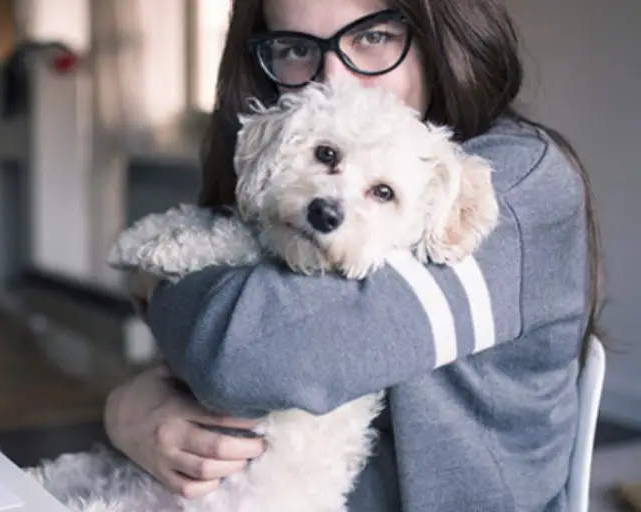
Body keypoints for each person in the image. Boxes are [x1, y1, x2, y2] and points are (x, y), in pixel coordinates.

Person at [103, 0, 604, 511]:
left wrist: (157, 285)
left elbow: (244, 356)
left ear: (439, 29)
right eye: (296, 48)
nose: (335, 83)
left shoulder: (508, 190)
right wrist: (132, 411)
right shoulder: (305, 171)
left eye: (372, 36)